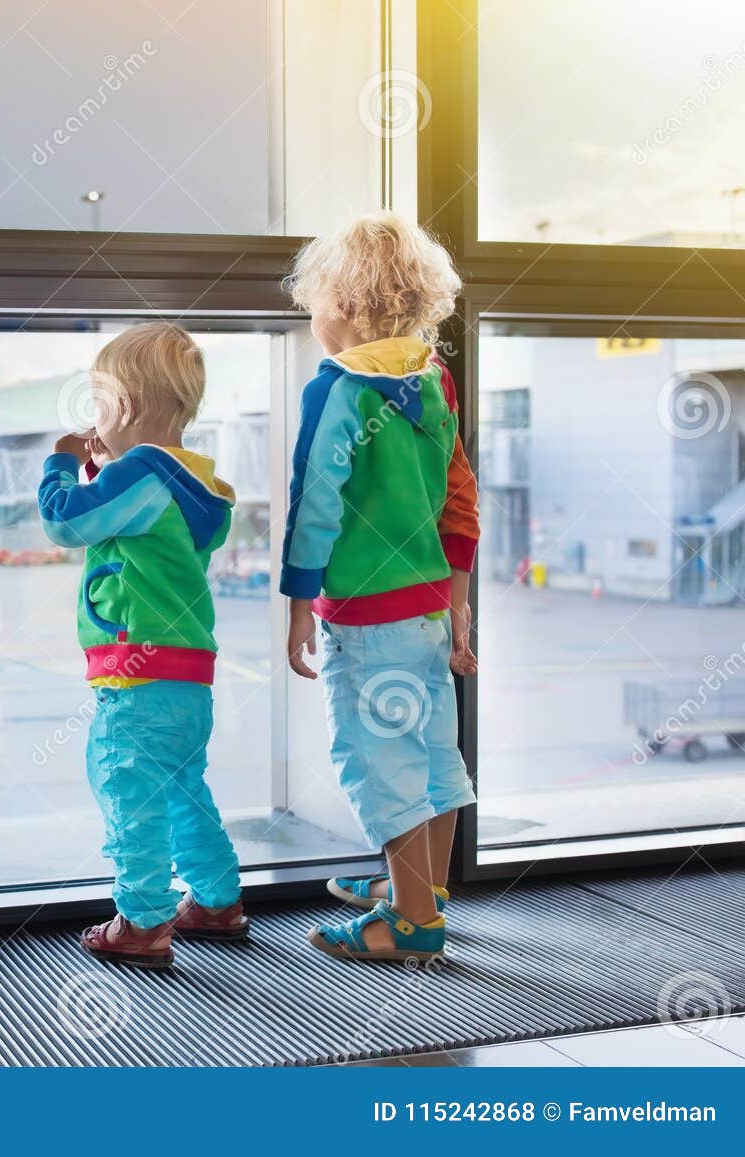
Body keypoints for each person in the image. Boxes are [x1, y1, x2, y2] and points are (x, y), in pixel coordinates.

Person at [279, 212, 480, 963]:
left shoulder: (337, 390)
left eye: (317, 306)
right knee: (433, 752)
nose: (314, 321)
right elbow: (461, 497)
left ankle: (410, 922)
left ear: (349, 306)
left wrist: (300, 604)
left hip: (367, 617)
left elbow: (315, 505)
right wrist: (457, 600)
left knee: (375, 756)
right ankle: (423, 888)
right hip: (429, 605)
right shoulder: (434, 381)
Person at [37, 322, 246, 969]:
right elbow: (145, 528)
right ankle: (216, 900)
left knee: (128, 788)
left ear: (123, 406)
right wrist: (109, 468)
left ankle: (144, 920)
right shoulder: (198, 483)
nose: (95, 418)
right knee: (184, 787)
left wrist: (62, 462)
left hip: (137, 675)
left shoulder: (142, 475)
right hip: (189, 676)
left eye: (99, 403)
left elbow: (65, 520)